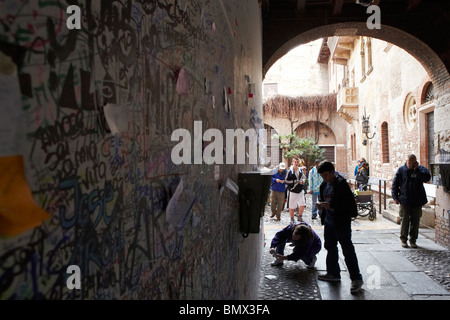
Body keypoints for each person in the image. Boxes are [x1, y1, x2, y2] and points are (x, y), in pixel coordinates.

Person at [316, 161, 364, 294]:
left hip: (341, 222)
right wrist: (321, 205)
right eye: (322, 176)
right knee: (330, 247)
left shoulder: (342, 185)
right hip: (329, 222)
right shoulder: (323, 185)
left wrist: (331, 206)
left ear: (332, 172)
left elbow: (349, 206)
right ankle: (333, 273)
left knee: (347, 249)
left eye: (326, 175)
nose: (324, 178)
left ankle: (356, 278)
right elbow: (324, 200)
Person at [391, 154, 431, 248]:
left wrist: (417, 170)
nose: (411, 164)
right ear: (406, 161)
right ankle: (403, 239)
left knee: (415, 221)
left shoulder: (421, 169)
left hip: (417, 200)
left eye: (413, 162)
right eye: (410, 162)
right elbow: (395, 184)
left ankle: (413, 240)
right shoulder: (401, 170)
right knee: (404, 220)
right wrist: (395, 197)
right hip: (405, 200)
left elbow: (427, 178)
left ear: (416, 162)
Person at [285, 158, 306, 223]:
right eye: (295, 162)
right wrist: (295, 181)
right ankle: (292, 219)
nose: (296, 163)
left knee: (302, 204)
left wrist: (303, 181)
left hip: (300, 190)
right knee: (292, 206)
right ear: (293, 162)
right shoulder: (289, 171)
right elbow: (286, 181)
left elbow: (304, 178)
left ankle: (300, 216)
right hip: (292, 190)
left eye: (297, 162)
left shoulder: (301, 170)